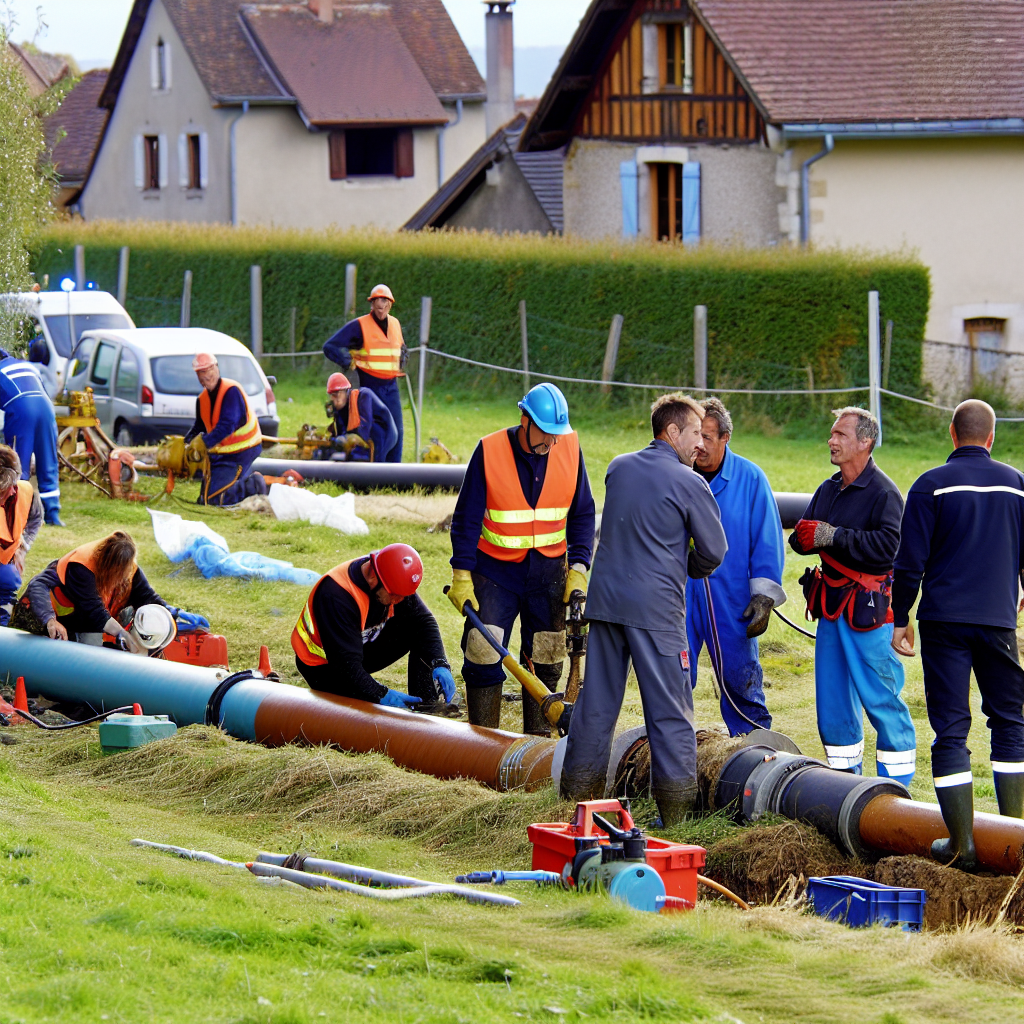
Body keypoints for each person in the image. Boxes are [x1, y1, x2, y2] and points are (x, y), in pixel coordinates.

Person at [559, 394, 728, 825]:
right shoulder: (692, 483)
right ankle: (677, 816)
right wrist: (685, 564)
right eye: (694, 434)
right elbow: (715, 550)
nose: (700, 446)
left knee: (595, 708)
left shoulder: (618, 468)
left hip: (607, 607)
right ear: (671, 432)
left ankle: (575, 804)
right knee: (671, 711)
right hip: (656, 613)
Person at [892, 399, 1024, 871]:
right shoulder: (1018, 485)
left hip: (944, 623)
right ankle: (1016, 842)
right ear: (991, 437)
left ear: (952, 434)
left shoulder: (929, 485)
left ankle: (963, 846)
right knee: (1010, 723)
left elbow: (909, 563)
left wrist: (900, 616)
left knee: (950, 729)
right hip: (998, 621)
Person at [447, 383, 596, 734]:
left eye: (556, 435)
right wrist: (462, 575)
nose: (551, 443)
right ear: (524, 420)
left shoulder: (569, 448)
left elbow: (583, 513)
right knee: (483, 652)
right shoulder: (490, 450)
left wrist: (578, 568)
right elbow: (467, 518)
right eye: (545, 434)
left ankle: (539, 745)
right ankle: (484, 743)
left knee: (547, 656)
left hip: (549, 574)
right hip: (495, 573)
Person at [790, 407, 915, 786]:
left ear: (865, 441)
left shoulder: (885, 493)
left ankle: (896, 790)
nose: (831, 440)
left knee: (880, 698)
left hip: (868, 613)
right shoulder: (828, 489)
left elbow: (888, 548)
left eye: (840, 434)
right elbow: (800, 537)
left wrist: (832, 536)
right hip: (831, 609)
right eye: (831, 434)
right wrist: (810, 537)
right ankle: (844, 785)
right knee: (832, 704)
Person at [686, 398, 787, 734]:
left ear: (726, 437)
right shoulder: (676, 473)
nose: (699, 445)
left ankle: (755, 748)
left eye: (708, 437)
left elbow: (767, 540)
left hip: (732, 598)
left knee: (740, 677)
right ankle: (670, 755)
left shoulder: (750, 479)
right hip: (679, 594)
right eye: (695, 436)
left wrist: (764, 596)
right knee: (673, 675)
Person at [291, 543, 457, 712]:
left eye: (403, 596)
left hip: (357, 650)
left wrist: (439, 662)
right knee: (359, 713)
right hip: (324, 667)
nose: (399, 600)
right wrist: (381, 694)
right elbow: (346, 666)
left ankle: (427, 705)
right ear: (373, 578)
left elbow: (423, 621)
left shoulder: (389, 575)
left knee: (416, 629)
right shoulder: (336, 595)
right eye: (395, 595)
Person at [14, 530, 205, 650]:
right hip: (57, 621)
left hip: (86, 620)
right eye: (117, 573)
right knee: (90, 657)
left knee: (101, 642)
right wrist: (123, 634)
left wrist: (172, 612)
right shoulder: (82, 566)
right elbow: (94, 611)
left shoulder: (128, 568)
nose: (121, 578)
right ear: (106, 565)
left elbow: (146, 596)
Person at [323, 284, 407, 464]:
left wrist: (403, 355)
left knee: (397, 432)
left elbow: (399, 346)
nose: (381, 305)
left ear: (390, 304)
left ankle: (395, 474)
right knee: (374, 430)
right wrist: (347, 362)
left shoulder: (395, 324)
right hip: (370, 384)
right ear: (371, 304)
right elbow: (330, 346)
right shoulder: (359, 325)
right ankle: (372, 470)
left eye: (384, 301)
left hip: (391, 386)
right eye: (376, 301)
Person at [183, 353, 267, 506]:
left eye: (210, 369)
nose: (207, 375)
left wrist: (203, 444)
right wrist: (185, 444)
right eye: (202, 372)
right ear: (198, 376)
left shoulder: (231, 391)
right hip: (221, 454)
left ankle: (254, 485)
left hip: (242, 451)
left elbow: (227, 426)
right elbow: (199, 427)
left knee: (215, 499)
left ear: (217, 368)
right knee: (205, 500)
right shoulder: (202, 399)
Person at [0, 346, 62, 525]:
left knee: (18, 464)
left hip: (22, 411)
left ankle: (19, 514)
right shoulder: (26, 366)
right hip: (47, 410)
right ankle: (53, 514)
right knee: (48, 461)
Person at [0, 445, 42, 626]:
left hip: (5, 567)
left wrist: (23, 548)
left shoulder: (26, 493)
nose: (4, 496)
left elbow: (36, 519)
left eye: (5, 489)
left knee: (9, 578)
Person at [316, 372, 398, 463]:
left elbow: (364, 431)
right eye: (331, 395)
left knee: (374, 459)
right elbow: (341, 433)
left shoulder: (364, 396)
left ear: (346, 391)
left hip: (384, 431)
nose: (333, 400)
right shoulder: (340, 409)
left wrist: (344, 440)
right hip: (365, 432)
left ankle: (376, 472)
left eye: (336, 394)